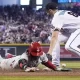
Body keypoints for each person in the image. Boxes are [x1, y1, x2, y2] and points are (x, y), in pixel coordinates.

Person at [45, 2, 80, 67]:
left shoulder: (57, 17)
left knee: (69, 46)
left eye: (47, 11)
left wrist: (49, 52)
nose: (47, 13)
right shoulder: (62, 12)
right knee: (55, 39)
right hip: (75, 30)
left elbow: (54, 36)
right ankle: (55, 64)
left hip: (78, 29)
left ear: (50, 10)